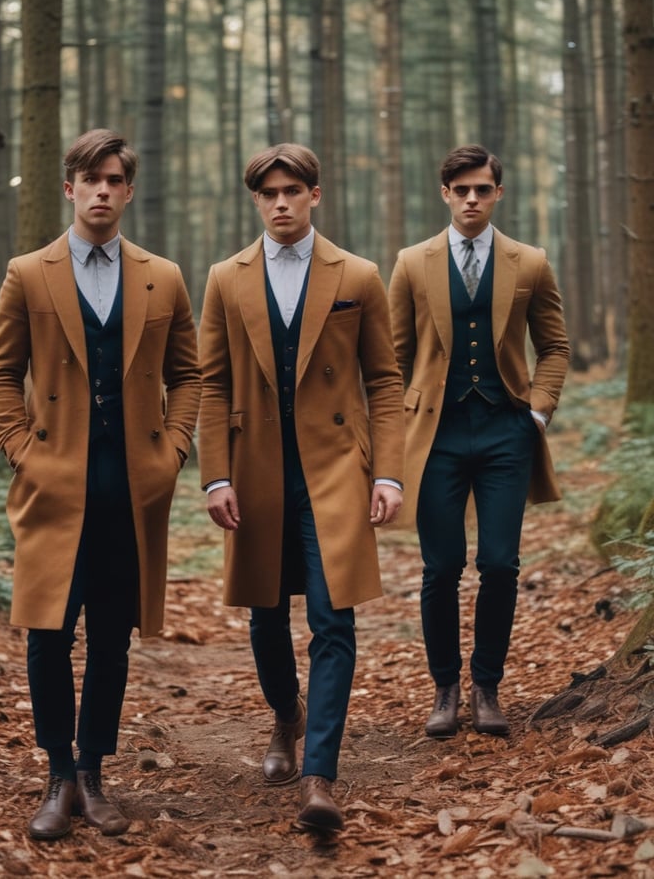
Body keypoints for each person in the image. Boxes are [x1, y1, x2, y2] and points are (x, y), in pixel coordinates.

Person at [0, 128, 201, 840]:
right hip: (53, 481)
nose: (103, 190)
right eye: (90, 178)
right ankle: (55, 777)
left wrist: (173, 450)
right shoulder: (28, 271)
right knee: (47, 632)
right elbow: (1, 371)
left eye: (115, 179)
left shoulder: (162, 276)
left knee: (111, 636)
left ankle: (93, 774)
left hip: (131, 484)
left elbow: (189, 374)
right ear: (71, 187)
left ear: (129, 190)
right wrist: (21, 449)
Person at [197, 143, 405, 832]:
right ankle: (286, 715)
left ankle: (320, 774)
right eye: (268, 193)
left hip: (335, 470)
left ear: (316, 194)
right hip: (255, 471)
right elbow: (213, 380)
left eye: (293, 191)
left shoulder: (360, 275)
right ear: (256, 201)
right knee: (264, 613)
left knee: (333, 617)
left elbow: (384, 381)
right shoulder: (226, 278)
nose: (281, 203)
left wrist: (389, 470)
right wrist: (216, 474)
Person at [388, 144, 570, 739]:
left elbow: (556, 348)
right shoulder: (413, 262)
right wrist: (391, 439)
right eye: (461, 189)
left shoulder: (530, 262)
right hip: (434, 436)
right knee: (440, 567)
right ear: (444, 193)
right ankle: (444, 687)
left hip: (504, 433)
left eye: (482, 189)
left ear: (497, 193)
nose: (471, 199)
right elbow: (394, 359)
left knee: (500, 562)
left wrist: (536, 415)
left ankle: (486, 686)